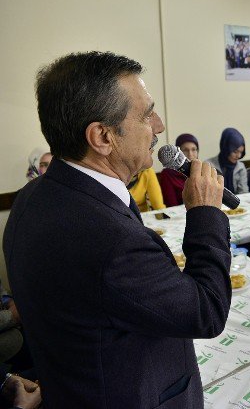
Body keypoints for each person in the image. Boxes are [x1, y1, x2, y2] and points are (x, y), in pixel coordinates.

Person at [3, 51, 232, 407]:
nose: (158, 125)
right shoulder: (112, 243)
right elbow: (206, 311)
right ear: (103, 137)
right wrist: (205, 215)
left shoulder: (32, 196)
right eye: (146, 113)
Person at [159, 133, 199, 207]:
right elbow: (171, 205)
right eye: (185, 150)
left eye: (194, 150)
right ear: (179, 153)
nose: (190, 154)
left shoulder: (200, 171)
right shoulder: (168, 174)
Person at [206, 127, 248, 194]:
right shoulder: (209, 166)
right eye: (235, 151)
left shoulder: (240, 167)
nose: (239, 156)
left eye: (241, 152)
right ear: (226, 148)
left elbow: (243, 192)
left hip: (236, 203)